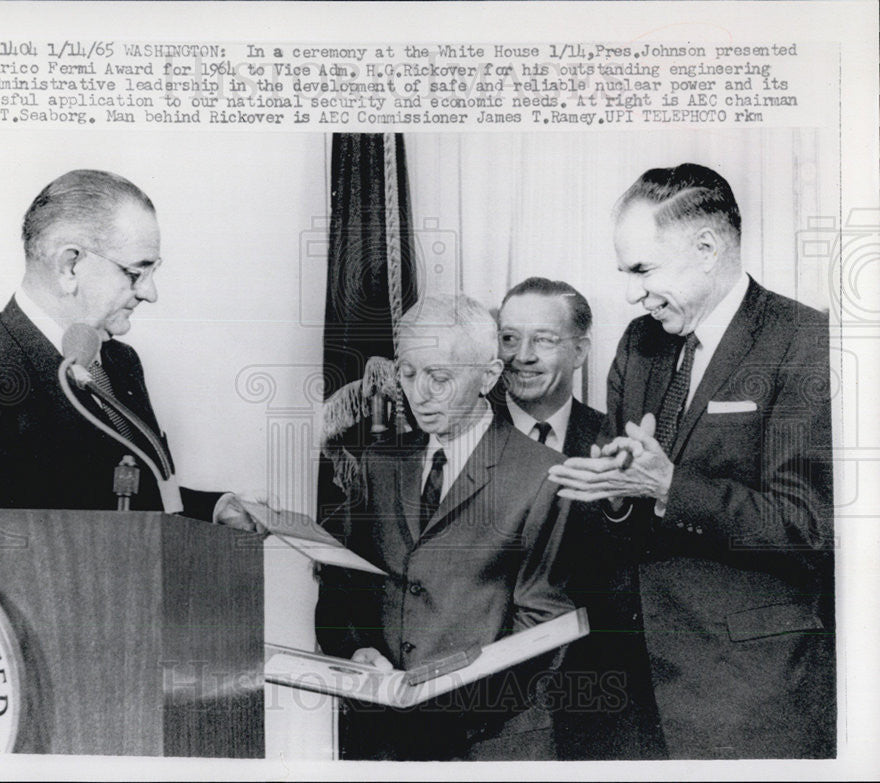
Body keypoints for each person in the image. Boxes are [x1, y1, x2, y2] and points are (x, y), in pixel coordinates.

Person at [549, 163, 835, 759]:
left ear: (707, 248)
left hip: (748, 692)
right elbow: (619, 511)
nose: (632, 292)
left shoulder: (806, 341)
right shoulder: (639, 342)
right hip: (628, 684)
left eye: (644, 270)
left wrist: (669, 486)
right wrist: (620, 494)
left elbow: (807, 527)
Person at [315, 293, 575, 760]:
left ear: (489, 376)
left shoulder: (544, 475)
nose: (418, 394)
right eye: (408, 374)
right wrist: (356, 653)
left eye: (439, 378)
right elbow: (341, 585)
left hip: (487, 743)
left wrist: (449, 716)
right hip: (382, 739)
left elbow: (543, 627)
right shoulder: (379, 462)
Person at [0, 169, 218, 519]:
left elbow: (121, 495)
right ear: (70, 265)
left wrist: (216, 509)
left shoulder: (121, 362)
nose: (150, 293)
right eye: (136, 273)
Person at [491, 277, 664, 759]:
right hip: (489, 708)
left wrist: (618, 501)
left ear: (581, 350)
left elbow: (637, 576)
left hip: (596, 707)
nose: (521, 355)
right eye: (508, 338)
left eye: (543, 340)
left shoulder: (616, 442)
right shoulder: (463, 435)